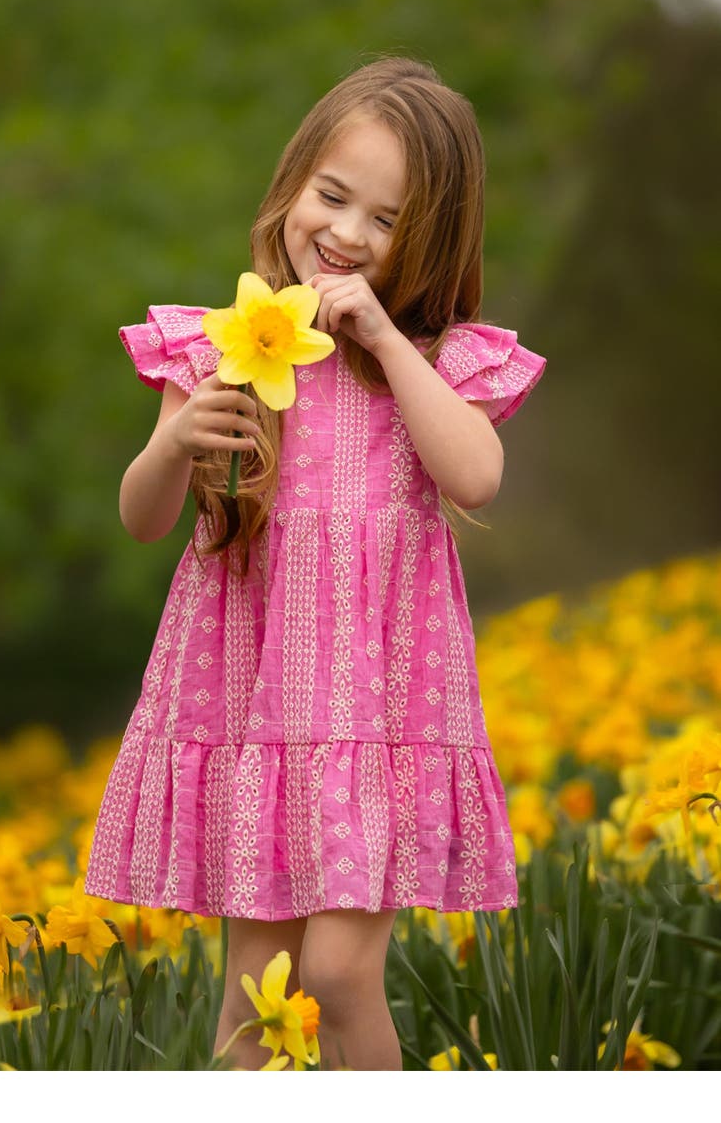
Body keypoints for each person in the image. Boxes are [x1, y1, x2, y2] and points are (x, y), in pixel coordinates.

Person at [84, 56, 547, 1071]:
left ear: (427, 243)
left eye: (385, 221)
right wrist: (172, 445)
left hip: (378, 718)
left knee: (337, 975)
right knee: (257, 1003)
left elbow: (476, 476)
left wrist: (384, 336)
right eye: (331, 196)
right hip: (260, 714)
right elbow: (142, 518)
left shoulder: (432, 360)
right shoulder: (222, 346)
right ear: (293, 184)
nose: (343, 233)